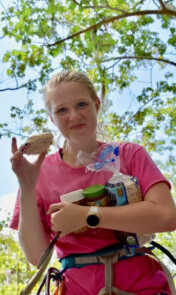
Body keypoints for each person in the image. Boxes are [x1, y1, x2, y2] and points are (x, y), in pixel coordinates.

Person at [10, 70, 176, 295]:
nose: (74, 115)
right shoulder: (39, 173)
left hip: (143, 286)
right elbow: (36, 256)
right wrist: (27, 188)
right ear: (52, 118)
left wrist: (88, 216)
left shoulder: (129, 154)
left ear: (96, 104)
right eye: (62, 110)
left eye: (81, 104)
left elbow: (167, 216)